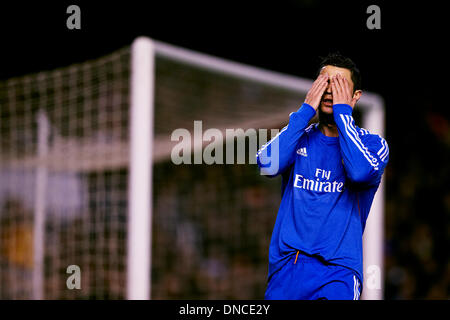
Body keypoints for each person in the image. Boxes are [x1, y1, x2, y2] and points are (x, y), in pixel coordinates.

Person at [256, 53, 389, 300]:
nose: (330, 91)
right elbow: (266, 164)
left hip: (338, 272)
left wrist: (342, 115)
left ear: (356, 96)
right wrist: (305, 111)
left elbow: (359, 173)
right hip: (288, 266)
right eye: (325, 83)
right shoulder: (299, 136)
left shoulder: (373, 144)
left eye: (339, 85)